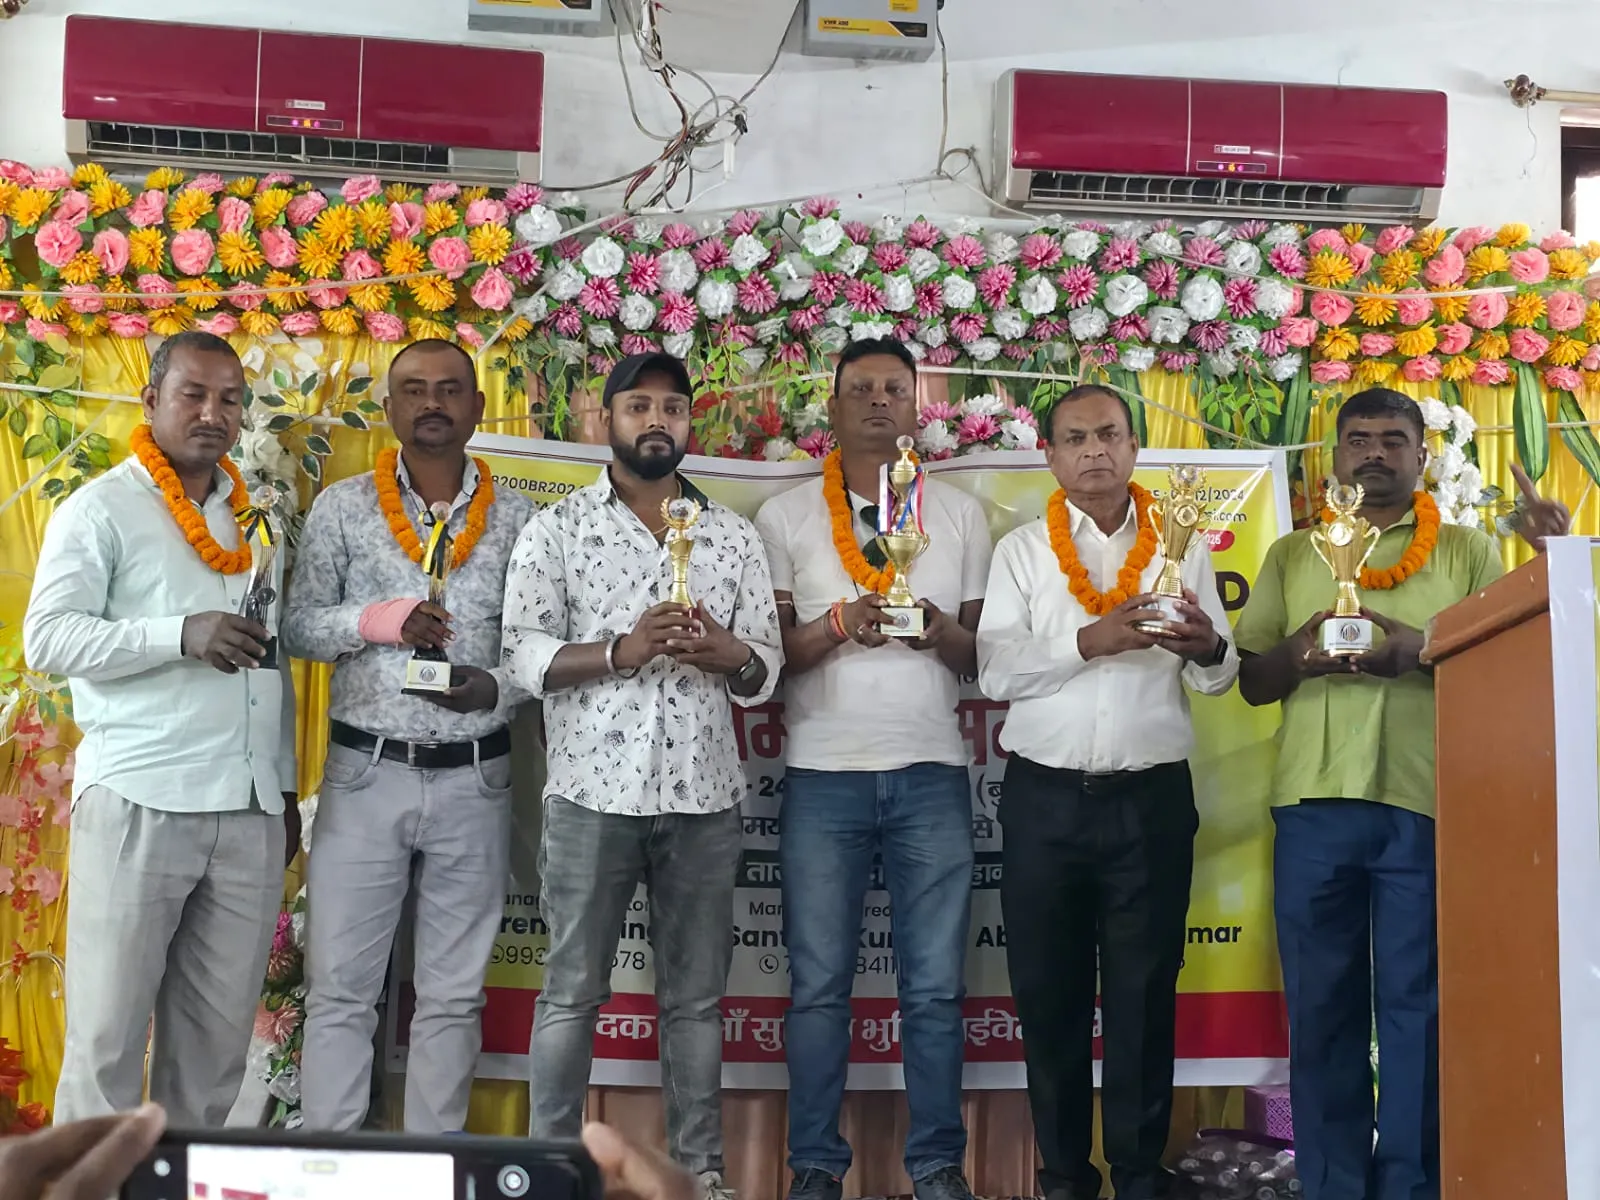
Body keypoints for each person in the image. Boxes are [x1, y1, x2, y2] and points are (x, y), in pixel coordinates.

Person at [1233, 387, 1569, 1200]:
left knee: (1417, 1008)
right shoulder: (1293, 553)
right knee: (1322, 1009)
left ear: (1423, 456)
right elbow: (1252, 680)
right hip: (1313, 806)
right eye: (1359, 439)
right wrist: (1302, 655)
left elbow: (1498, 666)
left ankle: (1413, 1186)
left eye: (1392, 440)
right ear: (1335, 457)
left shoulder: (1465, 552)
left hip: (1423, 804)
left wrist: (1419, 649)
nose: (1375, 453)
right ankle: (1333, 1185)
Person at [502, 351, 783, 1200]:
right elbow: (522, 657)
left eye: (672, 407)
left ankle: (702, 1175)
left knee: (696, 1002)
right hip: (593, 794)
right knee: (571, 993)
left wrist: (728, 653)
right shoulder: (557, 529)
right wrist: (623, 650)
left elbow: (764, 670)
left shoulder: (729, 534)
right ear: (607, 420)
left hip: (704, 796)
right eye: (639, 407)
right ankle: (550, 1172)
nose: (657, 421)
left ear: (689, 422)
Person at [23, 331, 298, 1126]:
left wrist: (281, 788)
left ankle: (182, 1180)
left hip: (245, 814)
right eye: (194, 394)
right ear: (150, 401)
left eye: (230, 399)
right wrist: (178, 634)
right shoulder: (101, 508)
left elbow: (269, 659)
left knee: (213, 1061)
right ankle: (94, 1180)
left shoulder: (256, 518)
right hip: (140, 798)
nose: (214, 413)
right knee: (106, 1048)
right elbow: (50, 639)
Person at [974, 384, 1235, 1200]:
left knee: (1144, 997)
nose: (1095, 450)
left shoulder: (1180, 543)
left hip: (1149, 802)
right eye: (1077, 437)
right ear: (1049, 455)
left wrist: (1206, 646)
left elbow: (1220, 677)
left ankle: (1138, 1173)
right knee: (1047, 999)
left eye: (1111, 434)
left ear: (1134, 448)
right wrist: (1092, 638)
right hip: (1044, 803)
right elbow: (995, 671)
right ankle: (1062, 1177)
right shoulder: (1023, 551)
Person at [751, 338, 990, 1200]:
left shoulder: (959, 514)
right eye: (863, 388)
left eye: (896, 387)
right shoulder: (784, 516)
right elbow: (769, 658)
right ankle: (815, 1166)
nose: (880, 400)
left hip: (932, 773)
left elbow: (983, 658)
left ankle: (937, 1168)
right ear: (834, 405)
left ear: (918, 405)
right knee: (818, 990)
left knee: (934, 992)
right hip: (824, 776)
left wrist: (935, 630)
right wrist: (838, 624)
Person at [282, 338, 535, 1133]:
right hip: (367, 771)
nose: (432, 402)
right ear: (388, 407)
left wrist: (496, 687)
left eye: (450, 389)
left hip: (476, 775)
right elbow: (297, 627)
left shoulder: (522, 519)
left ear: (477, 407)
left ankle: (435, 1169)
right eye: (415, 389)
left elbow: (541, 647)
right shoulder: (344, 507)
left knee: (454, 995)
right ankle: (328, 1169)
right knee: (341, 990)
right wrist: (377, 621)